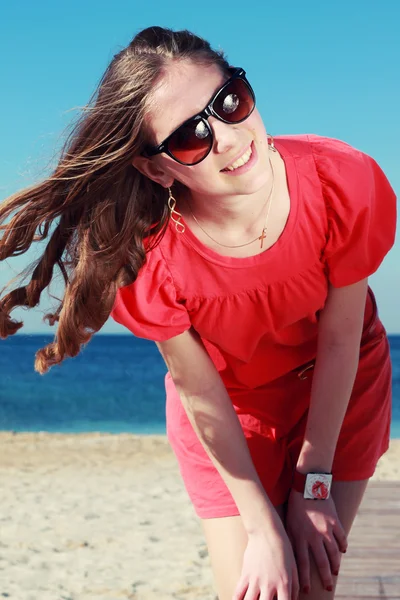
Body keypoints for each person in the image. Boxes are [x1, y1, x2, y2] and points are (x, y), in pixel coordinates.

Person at [0, 25, 397, 600]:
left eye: (230, 102)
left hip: (341, 389)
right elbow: (202, 394)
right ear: (157, 168)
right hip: (231, 413)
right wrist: (263, 526)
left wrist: (314, 488)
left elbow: (341, 341)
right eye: (190, 138)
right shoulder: (148, 260)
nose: (230, 139)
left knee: (312, 587)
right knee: (255, 586)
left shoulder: (342, 182)